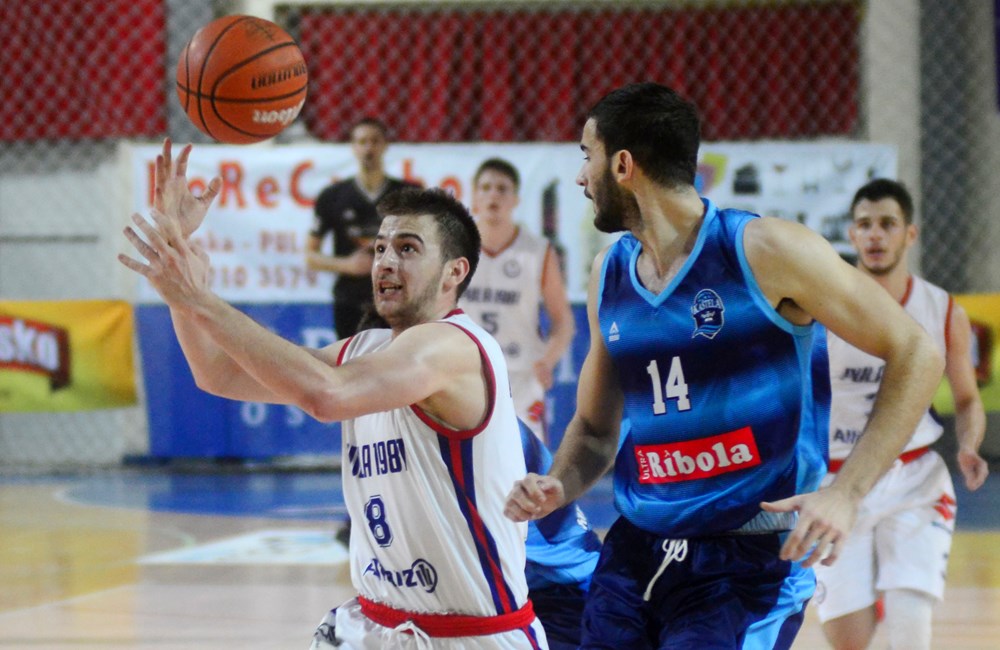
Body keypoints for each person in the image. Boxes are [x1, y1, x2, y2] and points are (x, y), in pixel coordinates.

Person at [503, 83, 944, 649]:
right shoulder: (608, 274)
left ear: (623, 165)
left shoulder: (765, 250)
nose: (580, 177)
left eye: (586, 156)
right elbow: (592, 430)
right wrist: (558, 485)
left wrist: (846, 493)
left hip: (748, 560)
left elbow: (917, 352)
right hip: (636, 550)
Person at [120, 140, 548, 649]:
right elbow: (217, 374)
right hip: (375, 625)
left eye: (408, 249)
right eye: (381, 248)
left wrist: (200, 299)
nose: (385, 262)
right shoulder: (367, 348)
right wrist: (180, 282)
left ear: (455, 272)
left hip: (468, 637)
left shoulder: (453, 346)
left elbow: (326, 396)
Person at [812, 178, 989, 650]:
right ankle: (873, 586)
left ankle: (896, 583)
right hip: (836, 480)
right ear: (852, 235)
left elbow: (967, 400)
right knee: (850, 640)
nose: (875, 234)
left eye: (887, 224)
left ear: (909, 234)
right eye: (865, 224)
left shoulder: (941, 309)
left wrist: (969, 444)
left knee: (911, 629)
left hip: (913, 477)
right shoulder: (821, 307)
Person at [459, 158, 576, 443]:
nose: (493, 195)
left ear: (515, 200)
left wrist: (548, 360)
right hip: (464, 372)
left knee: (525, 463)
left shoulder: (537, 250)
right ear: (474, 196)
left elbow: (563, 321)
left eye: (502, 188)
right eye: (486, 187)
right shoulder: (455, 247)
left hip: (521, 376)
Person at [306, 117, 420, 338]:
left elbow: (425, 246)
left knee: (398, 357)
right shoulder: (332, 196)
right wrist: (348, 265)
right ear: (353, 147)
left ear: (385, 145)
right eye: (362, 141)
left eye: (375, 141)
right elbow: (310, 256)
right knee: (351, 358)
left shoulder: (409, 194)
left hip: (399, 298)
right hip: (350, 300)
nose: (369, 148)